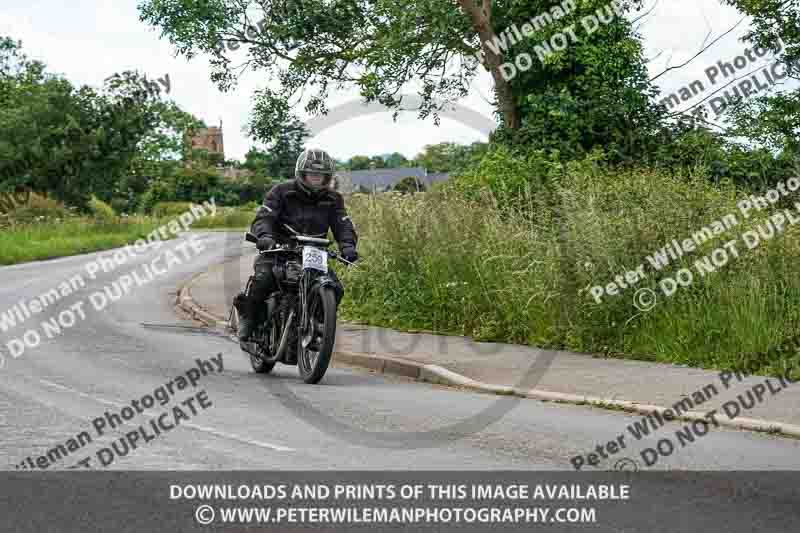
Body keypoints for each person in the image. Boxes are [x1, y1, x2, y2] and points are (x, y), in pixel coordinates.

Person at [237, 148, 358, 341]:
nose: (317, 178)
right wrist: (266, 236)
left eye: (321, 175)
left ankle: (316, 325)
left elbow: (343, 224)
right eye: (312, 174)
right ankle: (249, 320)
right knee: (264, 279)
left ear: (327, 177)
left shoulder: (334, 199)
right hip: (278, 251)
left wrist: (348, 246)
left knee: (335, 288)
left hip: (314, 255)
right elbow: (264, 217)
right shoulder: (281, 191)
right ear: (302, 174)